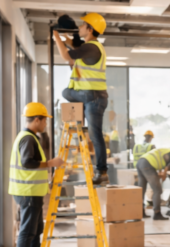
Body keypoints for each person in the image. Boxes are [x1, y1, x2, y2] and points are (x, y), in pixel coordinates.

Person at [52, 12, 109, 185]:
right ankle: (102, 172)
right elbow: (72, 46)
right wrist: (64, 37)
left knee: (66, 93)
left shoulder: (91, 47)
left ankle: (102, 172)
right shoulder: (90, 47)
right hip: (94, 97)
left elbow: (66, 55)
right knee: (95, 134)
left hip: (92, 96)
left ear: (90, 29)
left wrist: (55, 35)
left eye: (83, 25)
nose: (80, 27)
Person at [9, 103, 65, 247]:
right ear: (36, 120)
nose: (46, 124)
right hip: (28, 192)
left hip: (32, 191)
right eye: (44, 120)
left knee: (36, 228)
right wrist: (50, 163)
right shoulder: (28, 138)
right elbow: (27, 162)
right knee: (28, 230)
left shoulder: (30, 137)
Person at [138, 148, 170, 220]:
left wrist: (161, 175)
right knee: (158, 191)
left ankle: (140, 212)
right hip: (148, 164)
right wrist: (164, 176)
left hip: (141, 161)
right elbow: (166, 169)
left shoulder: (169, 152)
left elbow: (160, 165)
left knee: (141, 190)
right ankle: (157, 214)